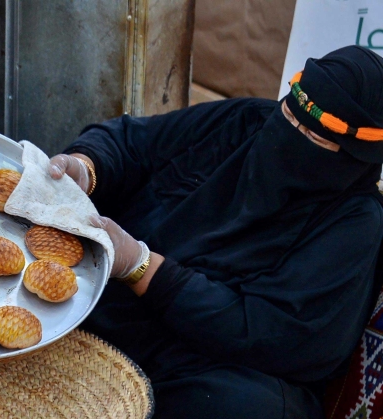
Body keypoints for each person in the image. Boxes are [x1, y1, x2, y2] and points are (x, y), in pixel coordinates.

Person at [47, 45, 383, 418]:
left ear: (357, 157)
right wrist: (87, 166)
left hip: (201, 359)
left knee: (252, 408)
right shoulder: (246, 120)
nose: (292, 134)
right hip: (116, 301)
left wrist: (144, 267)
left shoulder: (355, 223)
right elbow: (134, 142)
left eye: (316, 139)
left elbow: (272, 336)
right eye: (289, 115)